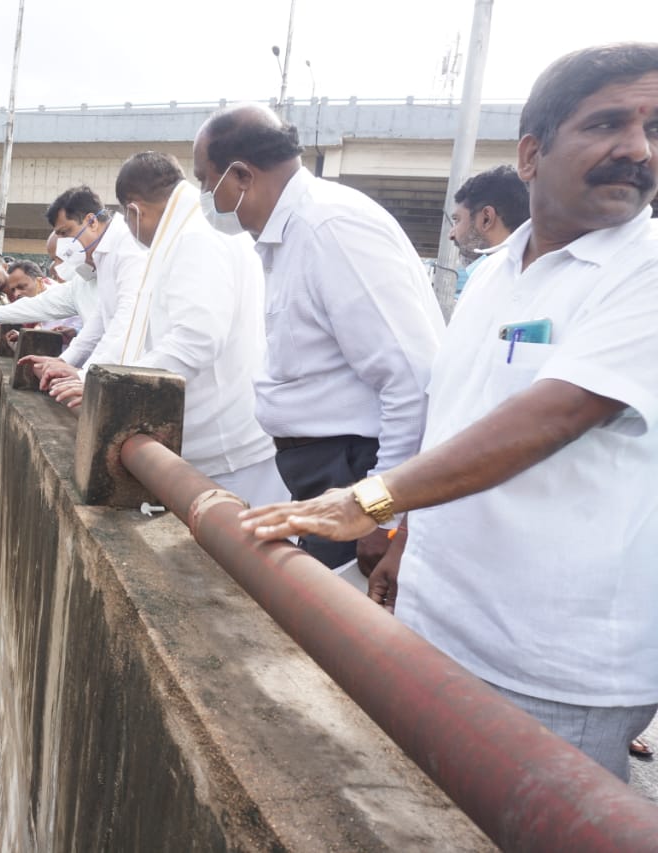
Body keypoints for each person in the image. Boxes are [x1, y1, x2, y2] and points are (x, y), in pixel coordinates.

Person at [240, 43, 658, 781]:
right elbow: (457, 414)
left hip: (553, 669)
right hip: (439, 626)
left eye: (654, 129)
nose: (637, 148)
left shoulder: (644, 270)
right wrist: (403, 539)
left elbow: (555, 414)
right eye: (608, 124)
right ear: (532, 153)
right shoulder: (494, 273)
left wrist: (368, 500)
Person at [192, 105, 445, 579]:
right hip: (324, 469)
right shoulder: (289, 237)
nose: (208, 200)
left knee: (329, 619)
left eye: (208, 184)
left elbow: (412, 378)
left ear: (242, 174)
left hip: (356, 467)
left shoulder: (329, 229)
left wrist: (380, 514)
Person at [81, 151, 286, 506]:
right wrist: (90, 376)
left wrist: (114, 388)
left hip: (226, 452)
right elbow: (141, 327)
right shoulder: (194, 228)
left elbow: (196, 340)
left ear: (134, 210)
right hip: (222, 440)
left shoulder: (195, 237)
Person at [18, 186, 147, 382]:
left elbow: (125, 324)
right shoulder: (103, 252)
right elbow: (101, 318)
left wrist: (85, 375)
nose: (64, 246)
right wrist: (64, 361)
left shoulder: (129, 249)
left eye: (66, 232)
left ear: (92, 221)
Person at [449, 165, 530, 295]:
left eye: (457, 220)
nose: (451, 234)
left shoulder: (493, 290)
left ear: (486, 219)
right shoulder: (536, 283)